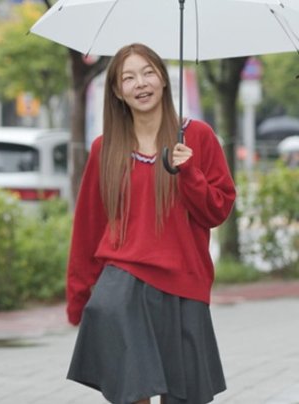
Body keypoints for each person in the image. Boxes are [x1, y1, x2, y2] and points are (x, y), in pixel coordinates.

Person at [66, 43, 236, 404]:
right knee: (131, 393)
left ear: (163, 79)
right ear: (117, 91)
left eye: (147, 72)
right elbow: (87, 228)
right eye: (128, 77)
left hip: (184, 283)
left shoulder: (199, 137)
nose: (140, 83)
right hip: (123, 284)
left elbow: (217, 211)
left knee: (184, 396)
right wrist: (79, 297)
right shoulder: (104, 148)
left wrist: (188, 171)